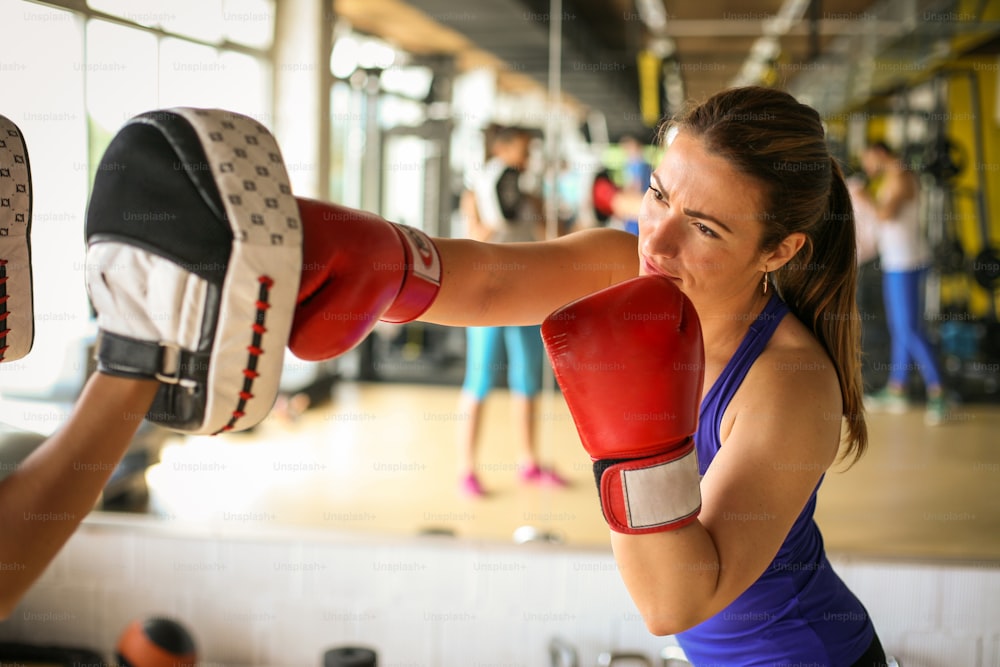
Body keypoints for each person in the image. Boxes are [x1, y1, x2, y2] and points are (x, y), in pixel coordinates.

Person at [286, 85, 887, 666]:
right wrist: (381, 258)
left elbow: (674, 600)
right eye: (657, 195)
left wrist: (633, 443)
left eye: (704, 228)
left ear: (779, 250)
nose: (658, 239)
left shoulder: (789, 382)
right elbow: (492, 282)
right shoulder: (628, 267)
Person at [456, 125, 565, 496]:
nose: (529, 157)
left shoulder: (527, 195)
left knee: (527, 380)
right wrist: (493, 220)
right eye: (524, 150)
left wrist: (539, 212)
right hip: (485, 298)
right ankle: (467, 469)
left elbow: (547, 244)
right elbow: (471, 242)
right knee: (480, 380)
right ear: (502, 149)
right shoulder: (475, 193)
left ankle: (528, 462)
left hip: (525, 297)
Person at [855, 141, 948, 425]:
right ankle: (898, 388)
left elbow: (886, 214)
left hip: (907, 263)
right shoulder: (893, 177)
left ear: (879, 153)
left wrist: (862, 197)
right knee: (900, 327)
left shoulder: (901, 176)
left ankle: (939, 392)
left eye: (868, 160)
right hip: (897, 261)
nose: (867, 167)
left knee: (908, 328)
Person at [619, 134, 654, 235]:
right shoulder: (636, 164)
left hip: (638, 203)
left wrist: (626, 200)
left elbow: (635, 185)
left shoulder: (638, 164)